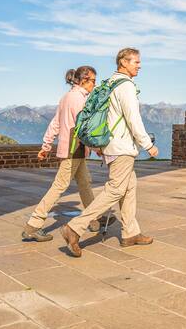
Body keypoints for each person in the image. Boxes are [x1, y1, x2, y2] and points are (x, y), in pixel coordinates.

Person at [60, 47, 159, 256]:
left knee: (129, 187)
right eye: (136, 62)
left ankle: (130, 233)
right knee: (115, 189)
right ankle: (74, 228)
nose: (139, 66)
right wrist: (147, 144)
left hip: (112, 145)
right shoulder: (126, 86)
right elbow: (133, 119)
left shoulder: (111, 83)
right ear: (123, 62)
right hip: (122, 147)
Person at [21, 66, 99, 242]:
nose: (94, 84)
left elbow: (55, 123)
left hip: (74, 149)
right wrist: (97, 148)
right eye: (93, 81)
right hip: (74, 149)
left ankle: (94, 218)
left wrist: (46, 145)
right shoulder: (79, 99)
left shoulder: (66, 97)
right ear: (84, 80)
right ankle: (33, 225)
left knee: (85, 183)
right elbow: (84, 128)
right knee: (59, 186)